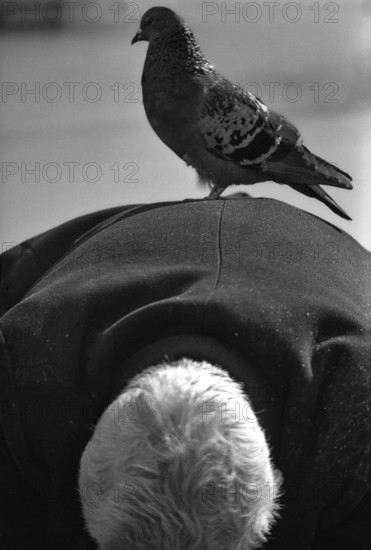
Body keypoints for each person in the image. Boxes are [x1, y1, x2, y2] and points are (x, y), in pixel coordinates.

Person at [0, 196, 370, 549]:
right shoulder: (22, 382)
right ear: (79, 476)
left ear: (274, 485)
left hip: (323, 260)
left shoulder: (355, 421)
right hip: (103, 242)